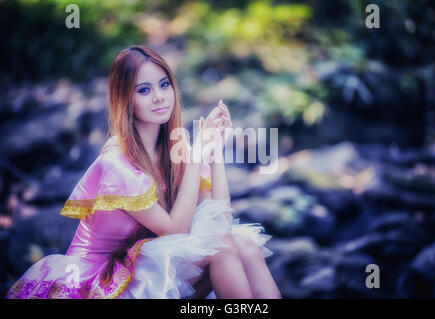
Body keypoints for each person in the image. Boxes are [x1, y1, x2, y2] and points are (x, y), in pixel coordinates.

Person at [6, 45, 281, 299]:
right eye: (144, 90)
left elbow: (219, 219)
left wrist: (215, 150)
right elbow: (177, 232)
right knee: (221, 248)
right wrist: (198, 156)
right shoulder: (116, 163)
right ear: (125, 99)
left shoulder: (177, 145)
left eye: (164, 85)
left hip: (140, 264)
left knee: (243, 244)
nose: (159, 97)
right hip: (100, 279)